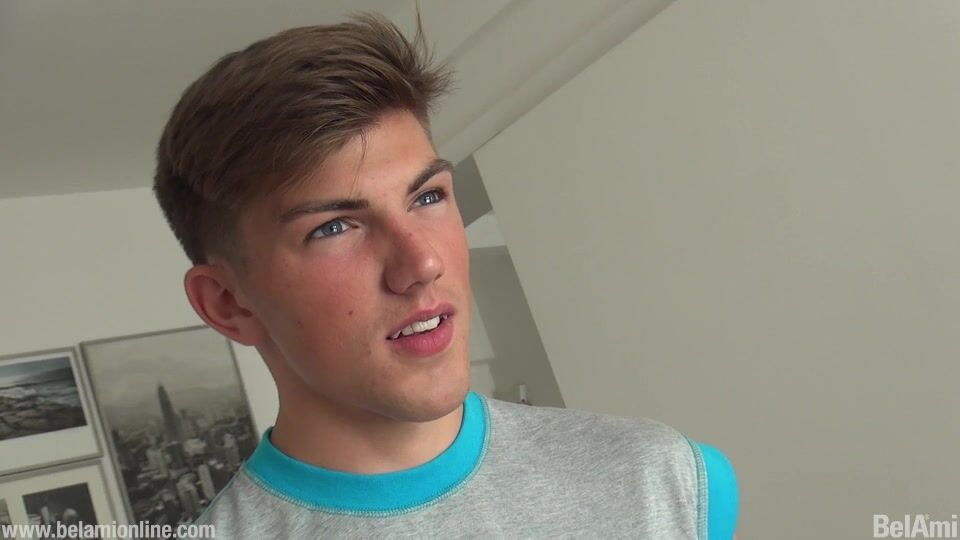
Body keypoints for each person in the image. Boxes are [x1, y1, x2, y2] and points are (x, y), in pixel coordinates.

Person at [153, 11, 739, 539]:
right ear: (228, 303)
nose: (422, 263)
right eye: (333, 227)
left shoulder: (663, 480)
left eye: (428, 196)